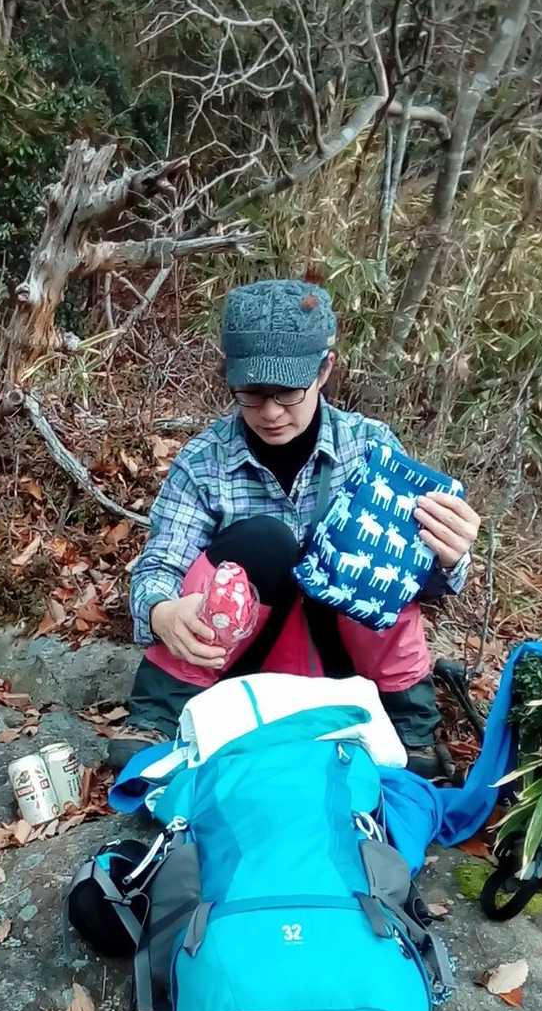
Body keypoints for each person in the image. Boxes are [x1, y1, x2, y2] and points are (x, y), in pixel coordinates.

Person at [116, 277, 481, 780]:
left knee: (370, 547)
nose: (270, 413)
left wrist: (449, 556)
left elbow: (417, 584)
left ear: (324, 369)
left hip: (346, 665)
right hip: (241, 659)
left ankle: (409, 724)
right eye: (250, 393)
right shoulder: (204, 462)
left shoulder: (370, 448)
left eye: (288, 392)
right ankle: (161, 713)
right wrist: (162, 612)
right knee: (263, 542)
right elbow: (159, 564)